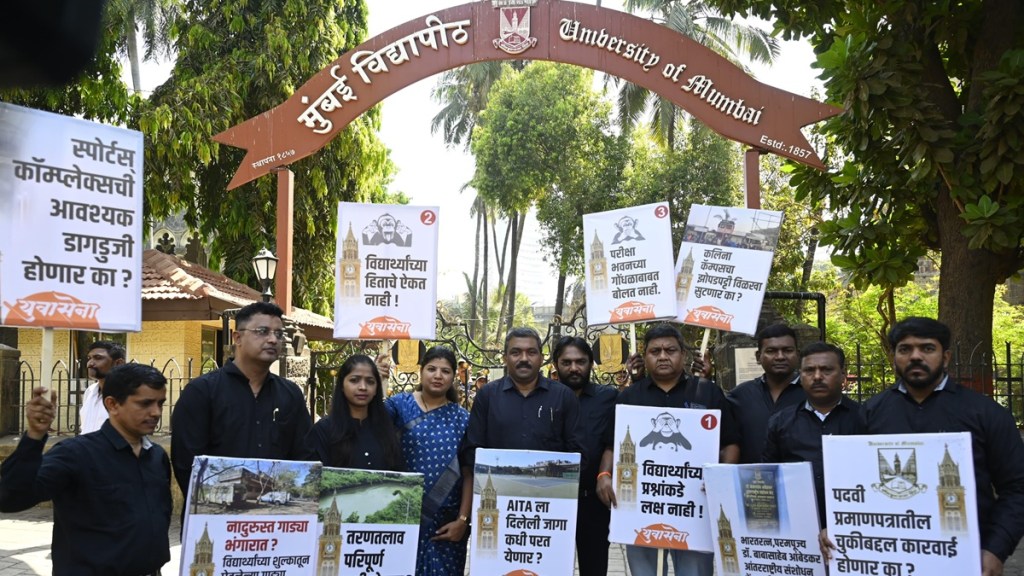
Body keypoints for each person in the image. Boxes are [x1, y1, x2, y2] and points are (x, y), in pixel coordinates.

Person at [863, 317, 1024, 576]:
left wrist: (996, 549)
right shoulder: (869, 414)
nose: (915, 356)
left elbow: (1017, 488)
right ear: (893, 358)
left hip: (968, 558)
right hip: (889, 558)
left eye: (927, 348)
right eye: (905, 349)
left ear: (946, 357)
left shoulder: (986, 413)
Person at [597, 323, 740, 576]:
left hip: (694, 507)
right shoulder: (629, 397)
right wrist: (603, 475)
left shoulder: (707, 392)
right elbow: (612, 445)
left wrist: (721, 477)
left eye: (670, 350)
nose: (663, 356)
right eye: (655, 351)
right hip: (641, 510)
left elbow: (730, 443)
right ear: (644, 357)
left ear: (683, 355)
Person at [1, 364, 171, 575]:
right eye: (145, 403)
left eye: (160, 403)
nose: (156, 412)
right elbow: (10, 498)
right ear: (112, 404)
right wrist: (34, 437)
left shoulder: (156, 456)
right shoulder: (75, 454)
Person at [171, 301, 314, 498]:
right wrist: (209, 501)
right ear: (237, 337)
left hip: (273, 509)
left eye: (279, 334)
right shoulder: (201, 392)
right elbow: (186, 461)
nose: (273, 339)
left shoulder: (290, 394)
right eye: (263, 331)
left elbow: (305, 455)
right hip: (215, 506)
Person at [762, 342, 864, 550]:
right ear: (801, 376)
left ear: (843, 375)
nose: (817, 377)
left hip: (855, 532)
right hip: (797, 535)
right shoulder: (780, 422)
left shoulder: (865, 418)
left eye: (826, 370)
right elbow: (768, 477)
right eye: (809, 370)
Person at [384, 346, 471, 576]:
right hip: (401, 518)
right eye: (432, 369)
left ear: (453, 377)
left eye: (445, 371)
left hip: (446, 527)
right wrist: (378, 377)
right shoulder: (398, 405)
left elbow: (468, 472)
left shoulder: (462, 419)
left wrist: (462, 520)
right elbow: (369, 422)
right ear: (421, 371)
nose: (438, 375)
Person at [460, 326, 584, 468]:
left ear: (541, 358)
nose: (524, 359)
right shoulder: (487, 395)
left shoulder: (564, 396)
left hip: (550, 480)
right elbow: (472, 449)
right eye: (516, 353)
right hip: (497, 480)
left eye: (531, 352)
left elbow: (577, 450)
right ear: (505, 359)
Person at [553, 336, 618, 576]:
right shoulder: (544, 397)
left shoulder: (608, 397)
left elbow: (619, 436)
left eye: (580, 361)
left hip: (593, 501)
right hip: (552, 502)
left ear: (591, 363)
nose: (574, 368)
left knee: (594, 568)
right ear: (555, 365)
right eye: (566, 362)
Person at [307, 354, 403, 470]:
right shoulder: (324, 430)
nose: (363, 387)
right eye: (354, 380)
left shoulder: (387, 430)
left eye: (370, 381)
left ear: (376, 389)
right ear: (342, 385)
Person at [728, 324, 804, 463]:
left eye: (787, 350)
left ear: (797, 355)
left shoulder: (812, 396)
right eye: (771, 351)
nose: (780, 357)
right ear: (758, 357)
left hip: (799, 476)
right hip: (751, 476)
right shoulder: (739, 396)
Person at [79, 340, 126, 433]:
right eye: (89, 358)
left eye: (98, 358)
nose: (90, 363)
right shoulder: (90, 391)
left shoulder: (127, 394)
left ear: (118, 363)